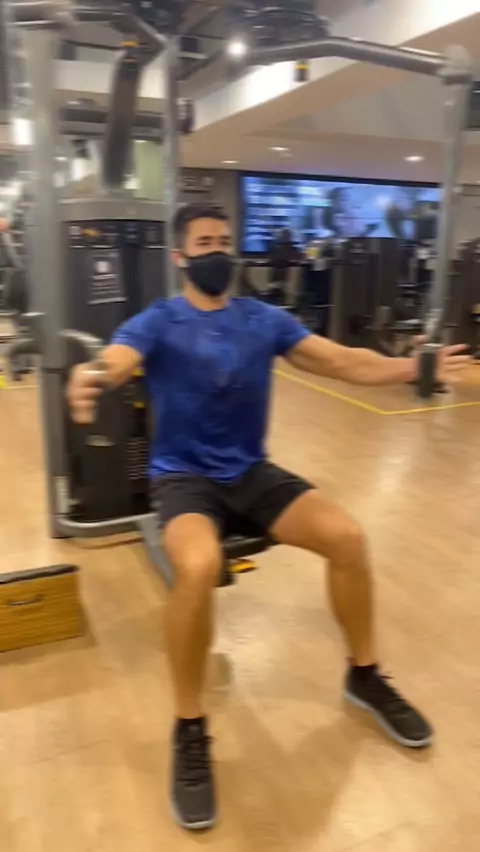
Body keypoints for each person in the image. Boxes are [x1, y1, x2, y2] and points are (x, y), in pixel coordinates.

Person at [67, 203, 469, 832]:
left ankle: (364, 676)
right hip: (184, 479)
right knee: (198, 567)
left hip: (250, 473)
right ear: (180, 257)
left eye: (224, 241)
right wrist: (90, 375)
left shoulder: (262, 319)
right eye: (205, 243)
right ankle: (189, 726)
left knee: (347, 538)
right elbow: (116, 359)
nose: (217, 252)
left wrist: (413, 367)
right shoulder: (160, 320)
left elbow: (341, 361)